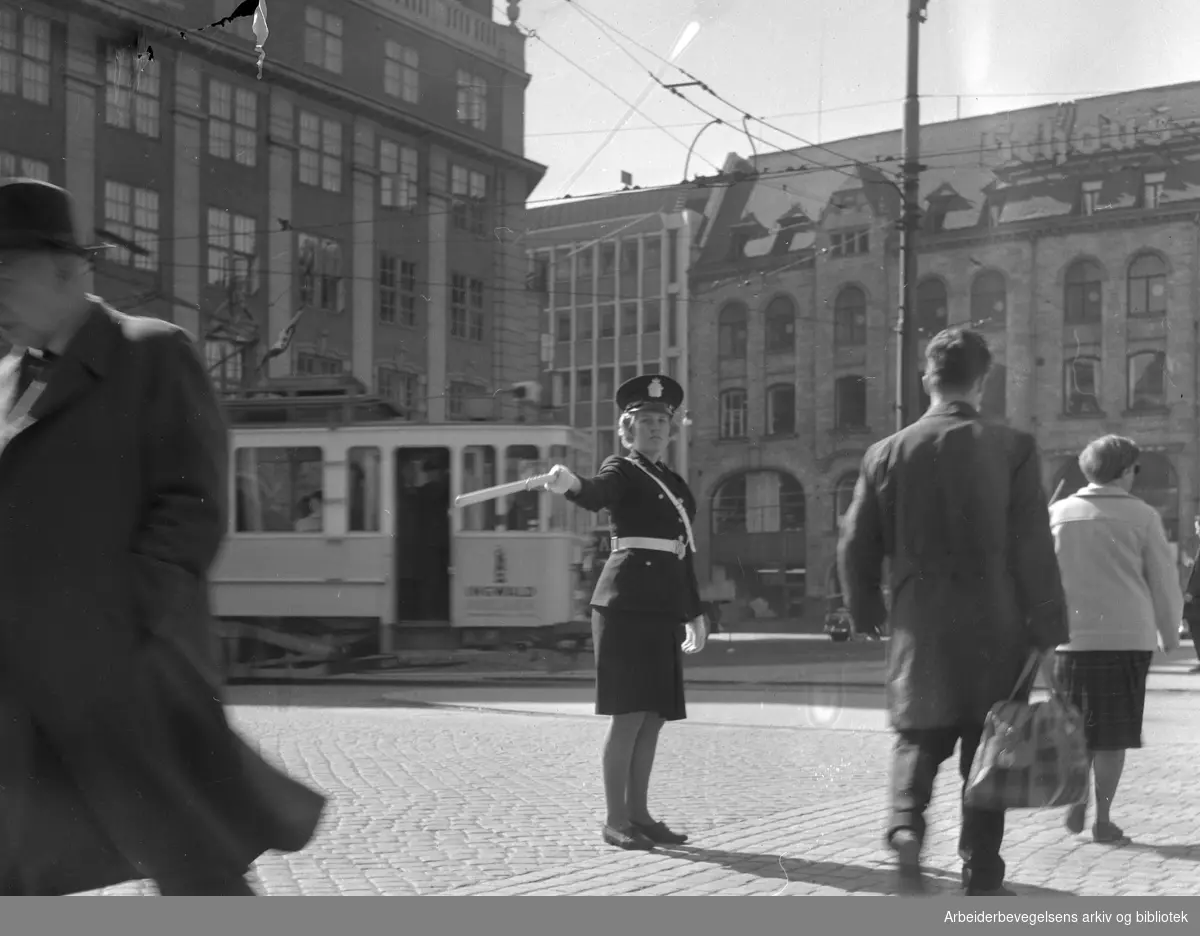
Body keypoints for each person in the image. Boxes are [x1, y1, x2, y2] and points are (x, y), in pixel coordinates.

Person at [0, 178, 326, 895]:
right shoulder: (8, 378)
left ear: (67, 271)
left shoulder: (150, 353)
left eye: (6, 277)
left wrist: (121, 617)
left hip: (123, 677)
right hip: (21, 681)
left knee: (190, 862)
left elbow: (193, 505)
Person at [837, 327, 1068, 897]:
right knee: (988, 747)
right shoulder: (1013, 446)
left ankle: (904, 826)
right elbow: (1033, 545)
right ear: (982, 381)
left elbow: (854, 542)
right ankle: (982, 873)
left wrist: (866, 609)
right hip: (998, 621)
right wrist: (1047, 630)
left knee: (917, 737)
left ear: (927, 382)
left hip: (921, 622)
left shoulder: (886, 451)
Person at [544, 374, 708, 851]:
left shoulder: (675, 484)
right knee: (629, 715)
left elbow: (684, 552)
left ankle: (640, 814)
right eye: (645, 421)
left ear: (671, 429)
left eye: (662, 421)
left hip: (661, 607)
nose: (655, 428)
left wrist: (695, 613)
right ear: (627, 429)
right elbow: (598, 492)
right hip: (625, 605)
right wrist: (571, 484)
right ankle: (616, 820)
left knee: (653, 716)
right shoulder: (622, 468)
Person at [1049, 435, 1183, 844]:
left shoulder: (1058, 513)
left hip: (1070, 639)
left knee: (1076, 731)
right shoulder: (1142, 516)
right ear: (1125, 471)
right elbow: (1162, 579)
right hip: (1127, 639)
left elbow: (1042, 580)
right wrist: (1169, 631)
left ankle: (1076, 796)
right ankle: (1102, 819)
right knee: (1113, 736)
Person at [1181, 518, 1200, 671]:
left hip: (1196, 597)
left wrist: (1190, 593)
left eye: (1197, 527)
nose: (1196, 531)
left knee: (1196, 627)